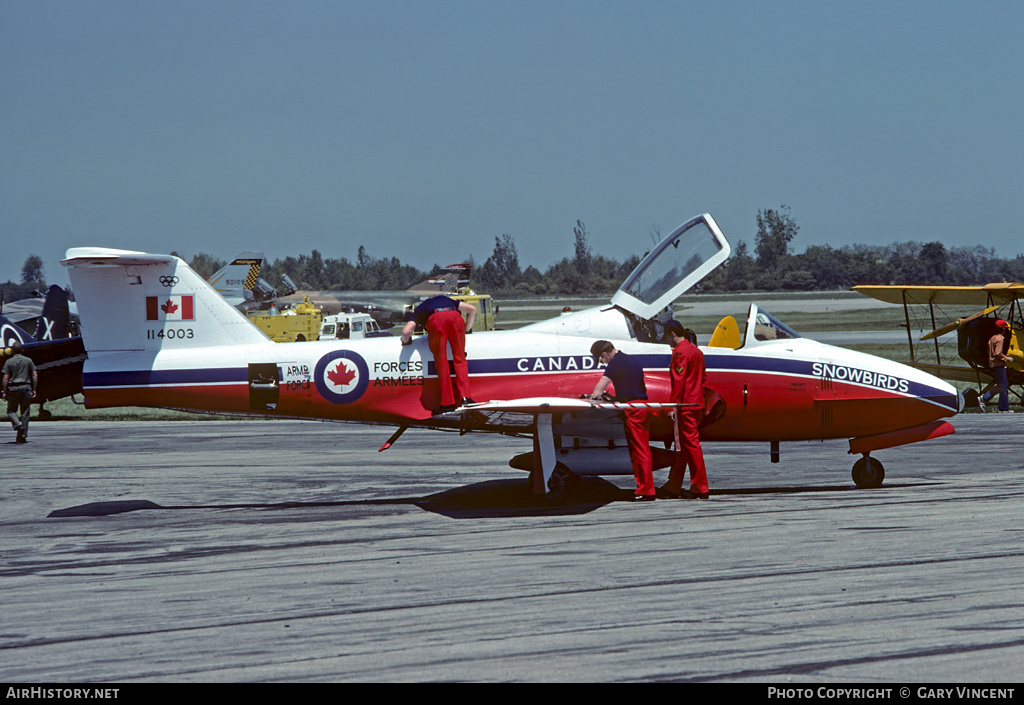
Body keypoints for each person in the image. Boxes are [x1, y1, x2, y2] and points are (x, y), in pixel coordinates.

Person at [589, 340, 654, 501]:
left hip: (633, 409)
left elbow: (597, 390)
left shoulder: (615, 362)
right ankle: (645, 488)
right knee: (642, 448)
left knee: (639, 451)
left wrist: (592, 398)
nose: (602, 363)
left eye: (601, 360)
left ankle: (646, 490)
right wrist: (614, 398)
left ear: (605, 354)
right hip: (642, 406)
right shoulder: (631, 359)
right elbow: (633, 386)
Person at [659, 320, 710, 499]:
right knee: (682, 446)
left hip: (685, 405)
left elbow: (678, 382)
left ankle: (700, 487)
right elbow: (703, 377)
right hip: (697, 403)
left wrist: (673, 406)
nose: (666, 341)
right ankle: (674, 485)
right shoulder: (697, 351)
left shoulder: (680, 352)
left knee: (691, 446)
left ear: (672, 334)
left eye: (666, 336)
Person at [402, 295, 477, 414]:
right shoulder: (448, 300)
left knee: (441, 362)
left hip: (437, 321)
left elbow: (406, 331)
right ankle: (466, 398)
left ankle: (447, 403)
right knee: (460, 359)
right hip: (456, 318)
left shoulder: (420, 309)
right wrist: (467, 330)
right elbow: (472, 309)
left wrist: (406, 341)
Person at [2, 340, 38, 444]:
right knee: (25, 413)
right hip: (26, 387)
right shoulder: (28, 360)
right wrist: (34, 389)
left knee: (11, 411)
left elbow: (5, 378)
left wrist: (4, 391)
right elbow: (35, 375)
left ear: (12, 350)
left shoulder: (9, 362)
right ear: (22, 350)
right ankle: (22, 436)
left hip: (13, 388)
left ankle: (18, 425)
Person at [980, 319, 1012, 413]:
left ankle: (984, 398)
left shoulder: (992, 338)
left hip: (993, 364)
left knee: (1001, 385)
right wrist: (1007, 358)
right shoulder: (1000, 338)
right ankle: (1002, 408)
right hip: (999, 364)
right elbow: (998, 353)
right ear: (1003, 329)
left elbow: (988, 351)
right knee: (1003, 385)